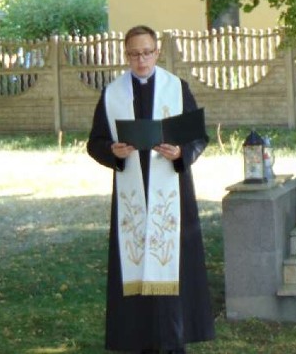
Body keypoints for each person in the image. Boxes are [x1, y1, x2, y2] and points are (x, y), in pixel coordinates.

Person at [87, 25, 215, 354]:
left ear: (157, 52)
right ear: (125, 54)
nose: (141, 60)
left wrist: (182, 153)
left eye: (146, 52)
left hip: (170, 192)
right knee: (135, 263)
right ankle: (137, 342)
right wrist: (111, 152)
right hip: (132, 193)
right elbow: (95, 142)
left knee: (170, 264)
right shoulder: (112, 93)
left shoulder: (176, 87)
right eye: (133, 53)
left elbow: (198, 137)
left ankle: (173, 341)